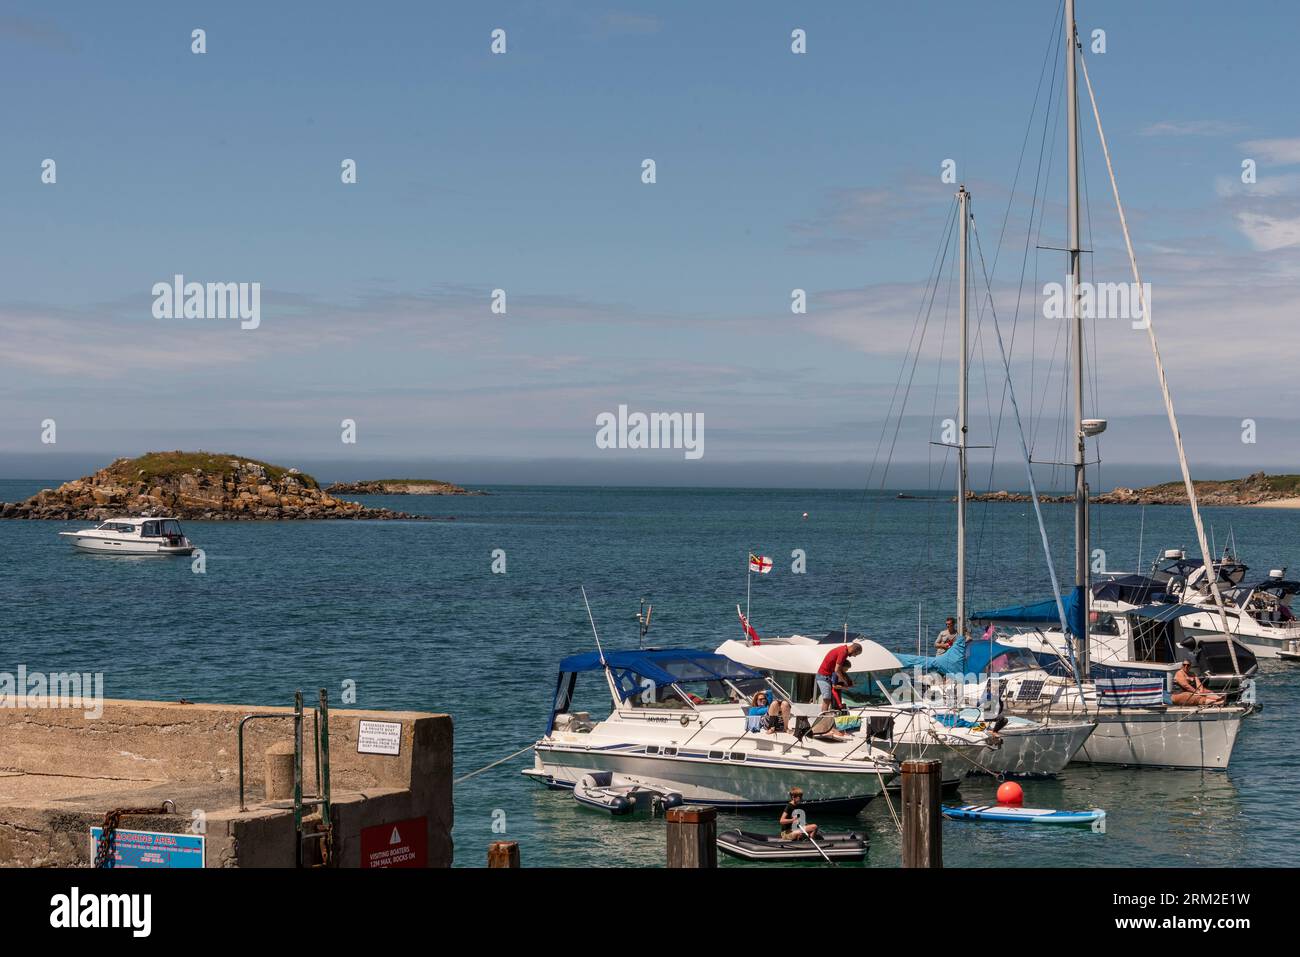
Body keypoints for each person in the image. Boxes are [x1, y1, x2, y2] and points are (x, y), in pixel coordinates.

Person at [817, 642, 862, 711]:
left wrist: (848, 681)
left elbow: (841, 670)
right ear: (853, 650)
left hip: (828, 676)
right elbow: (837, 670)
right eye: (855, 654)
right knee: (827, 699)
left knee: (830, 698)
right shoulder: (843, 652)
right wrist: (844, 682)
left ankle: (830, 711)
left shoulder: (843, 650)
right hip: (823, 676)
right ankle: (823, 715)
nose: (855, 656)